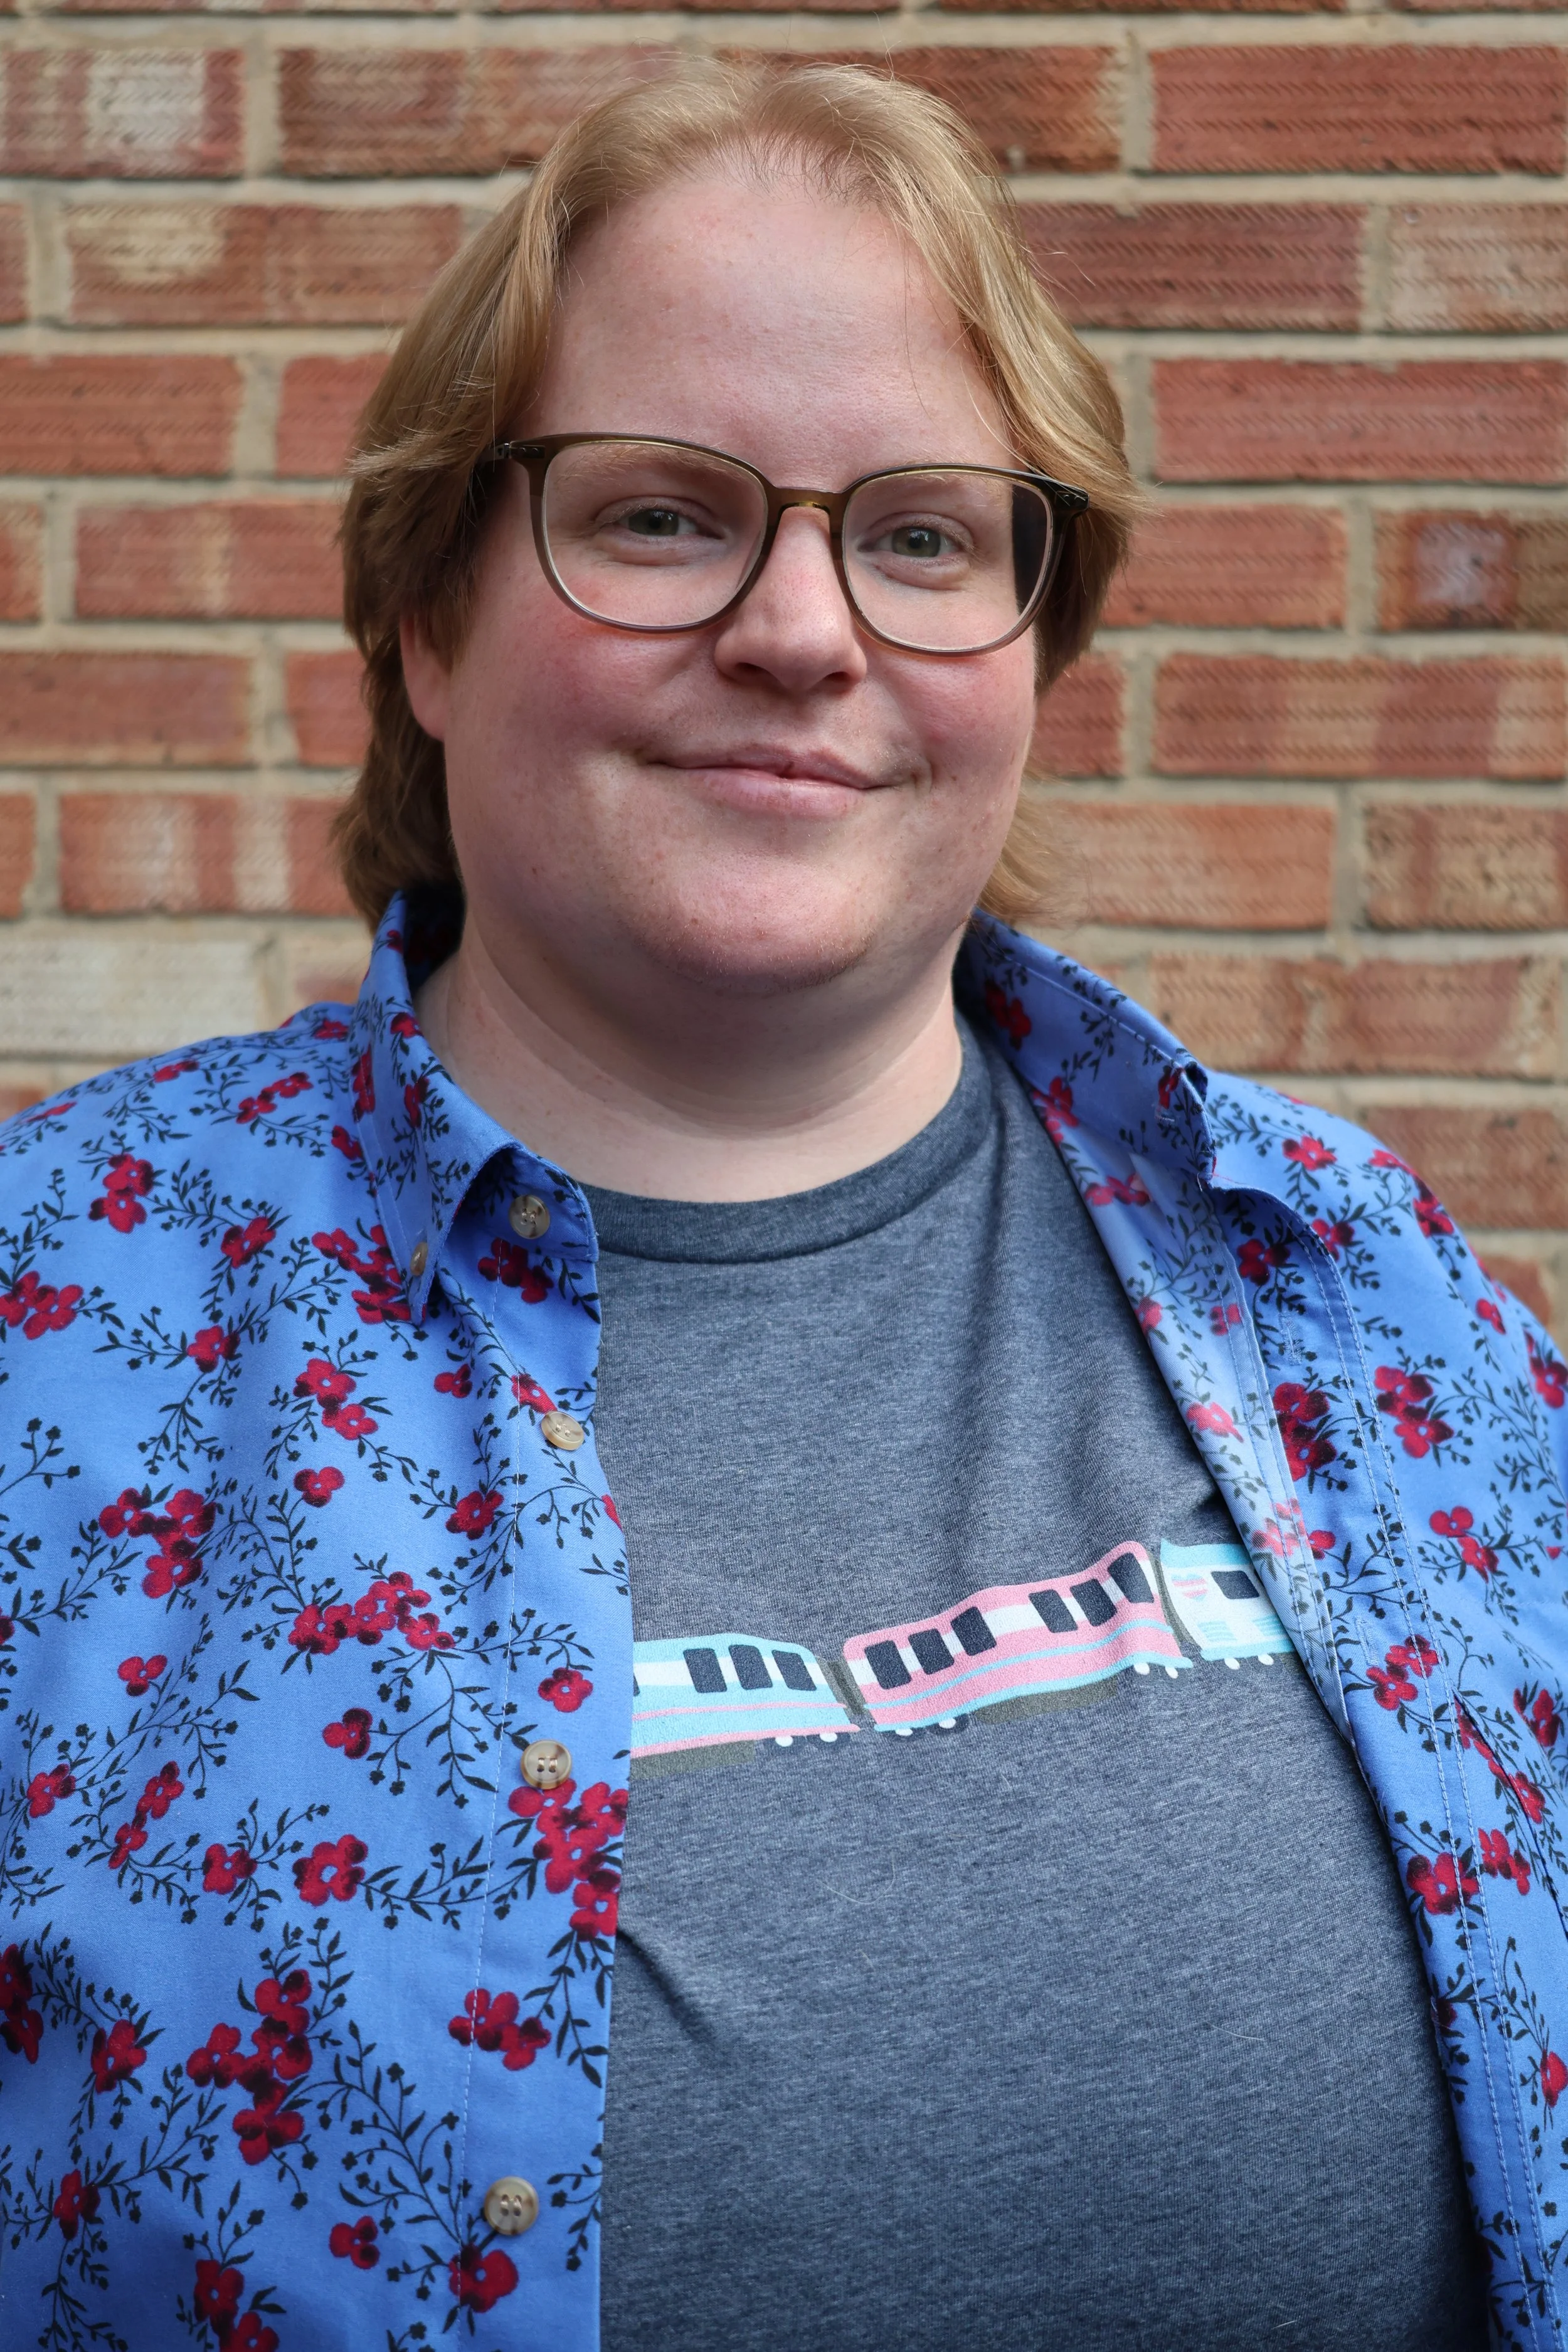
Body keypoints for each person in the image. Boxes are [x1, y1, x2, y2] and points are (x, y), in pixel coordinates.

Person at [0, 59, 1562, 2352]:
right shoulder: (56, 1338)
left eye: (923, 534)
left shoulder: (1356, 1289)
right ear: (427, 623)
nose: (804, 631)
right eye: (656, 514)